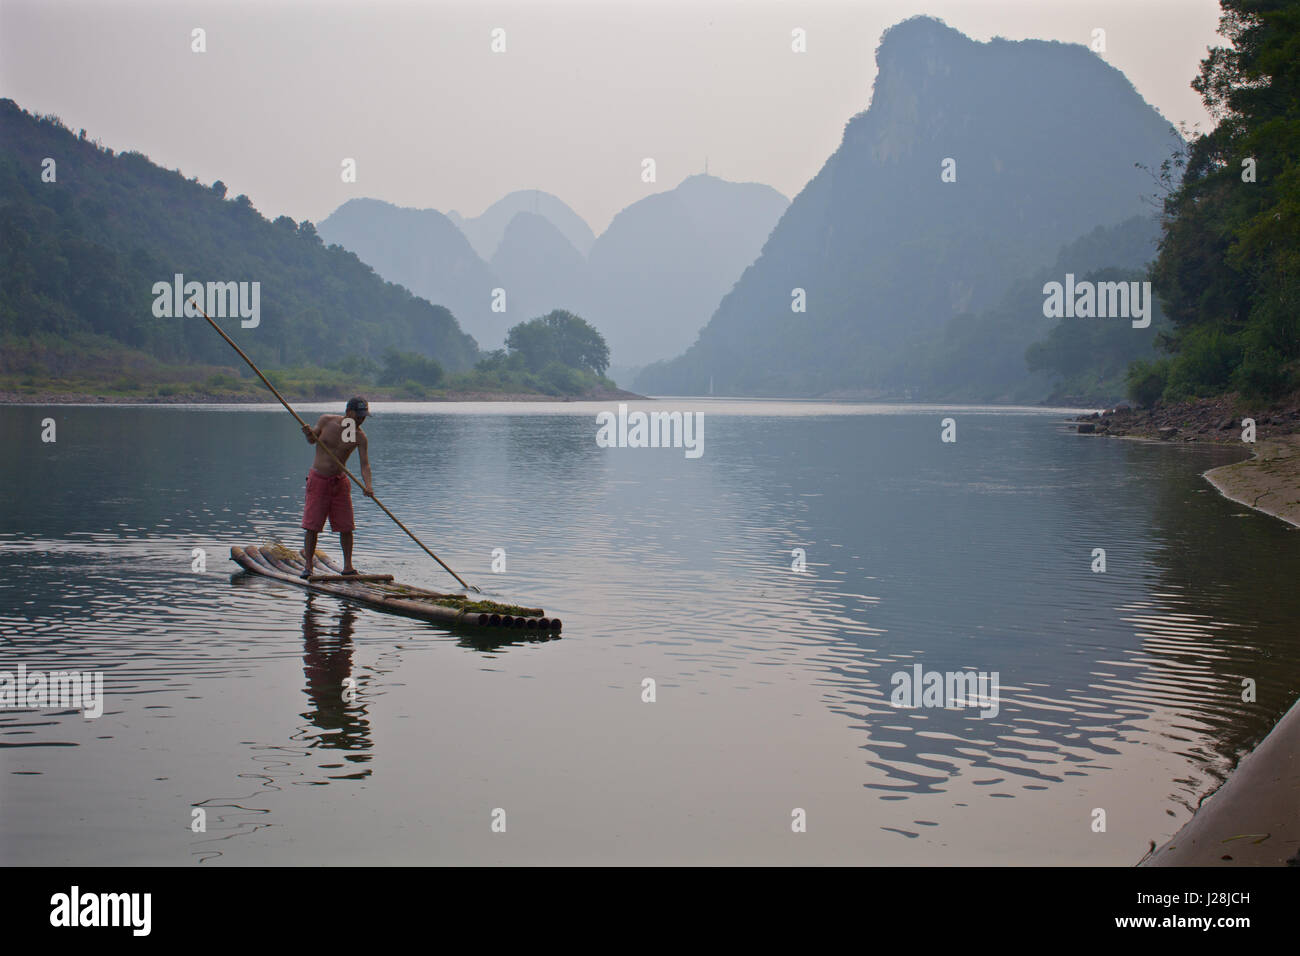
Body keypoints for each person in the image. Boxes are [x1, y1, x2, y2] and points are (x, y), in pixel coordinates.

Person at [300, 397, 373, 578]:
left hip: (339, 482)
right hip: (318, 480)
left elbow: (365, 465)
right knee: (312, 526)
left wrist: (368, 486)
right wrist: (308, 433)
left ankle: (347, 566)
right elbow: (312, 439)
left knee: (346, 526)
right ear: (349, 413)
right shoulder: (327, 420)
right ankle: (308, 566)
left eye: (364, 416)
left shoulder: (360, 437)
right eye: (359, 416)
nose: (361, 420)